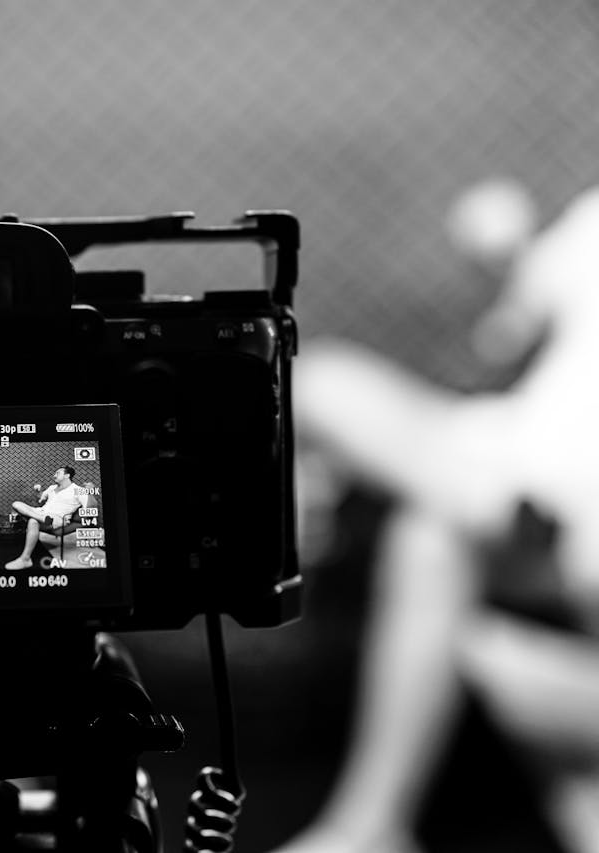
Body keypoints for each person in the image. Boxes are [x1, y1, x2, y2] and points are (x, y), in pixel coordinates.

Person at [273, 182, 599, 853]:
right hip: (505, 464)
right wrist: (506, 267)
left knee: (431, 516)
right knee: (424, 529)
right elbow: (504, 339)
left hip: (560, 513)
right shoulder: (590, 221)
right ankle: (369, 829)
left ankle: (496, 520)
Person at [4, 465, 89, 570]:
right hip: (41, 513)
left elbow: (89, 506)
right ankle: (41, 518)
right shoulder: (52, 488)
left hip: (57, 518)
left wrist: (90, 492)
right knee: (16, 504)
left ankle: (25, 559)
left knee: (32, 521)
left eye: (57, 473)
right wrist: (38, 492)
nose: (54, 475)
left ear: (67, 475)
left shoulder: (78, 490)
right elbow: (41, 498)